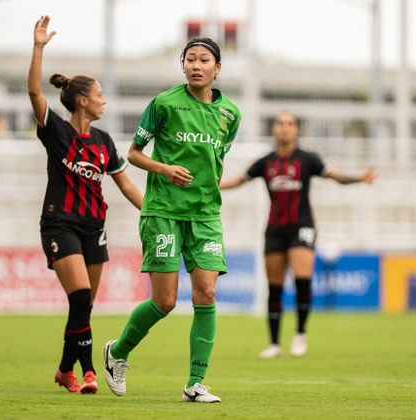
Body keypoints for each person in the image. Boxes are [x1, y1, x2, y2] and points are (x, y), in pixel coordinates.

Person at [102, 37, 241, 403]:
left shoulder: (231, 114)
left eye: (204, 60)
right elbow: (133, 154)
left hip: (206, 215)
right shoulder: (164, 103)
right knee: (164, 302)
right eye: (190, 59)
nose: (197, 65)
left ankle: (195, 383)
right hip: (163, 211)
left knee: (206, 293)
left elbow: (218, 161)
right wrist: (163, 168)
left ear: (217, 68)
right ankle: (117, 352)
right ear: (183, 65)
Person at [27, 16, 143, 394]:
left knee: (83, 307)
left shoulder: (105, 141)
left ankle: (64, 370)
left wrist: (158, 211)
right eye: (100, 94)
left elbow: (125, 185)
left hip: (95, 228)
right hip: (60, 225)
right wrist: (39, 48)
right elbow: (33, 94)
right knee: (79, 297)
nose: (104, 100)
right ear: (83, 101)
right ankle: (90, 371)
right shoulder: (57, 131)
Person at [220, 112, 376, 358]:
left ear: (296, 130)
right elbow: (239, 180)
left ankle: (300, 333)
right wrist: (211, 186)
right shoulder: (265, 162)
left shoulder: (308, 159)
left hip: (302, 227)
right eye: (280, 124)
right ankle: (274, 344)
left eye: (290, 124)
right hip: (274, 230)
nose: (284, 128)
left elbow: (336, 177)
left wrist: (360, 178)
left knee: (302, 281)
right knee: (275, 288)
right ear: (274, 129)